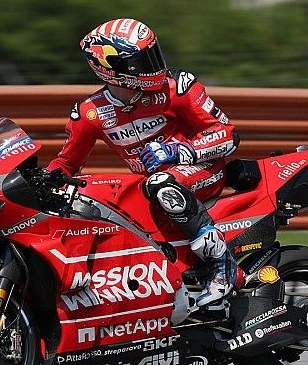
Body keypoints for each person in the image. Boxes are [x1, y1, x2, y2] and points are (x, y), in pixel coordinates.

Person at [47, 18, 239, 308]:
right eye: (142, 61)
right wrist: (39, 181)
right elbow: (66, 163)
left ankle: (222, 265)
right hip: (150, 188)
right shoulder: (90, 113)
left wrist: (180, 151)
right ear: (110, 67)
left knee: (162, 183)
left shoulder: (178, 88)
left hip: (203, 172)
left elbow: (229, 135)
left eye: (153, 54)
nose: (154, 65)